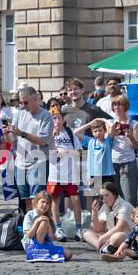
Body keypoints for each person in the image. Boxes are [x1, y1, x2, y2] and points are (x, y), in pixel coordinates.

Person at [6, 85, 52, 214]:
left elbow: (43, 141)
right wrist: (7, 133)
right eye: (21, 102)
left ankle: (39, 229)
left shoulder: (45, 116)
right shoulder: (19, 113)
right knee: (26, 200)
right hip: (20, 163)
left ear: (35, 99)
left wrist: (22, 133)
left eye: (26, 102)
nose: (23, 105)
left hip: (39, 163)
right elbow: (12, 140)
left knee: (37, 200)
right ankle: (29, 229)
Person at [46, 99, 84, 239]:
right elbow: (49, 151)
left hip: (70, 173)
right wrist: (52, 136)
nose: (56, 121)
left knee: (76, 201)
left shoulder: (69, 132)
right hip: (56, 174)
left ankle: (78, 228)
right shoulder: (49, 134)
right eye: (54, 118)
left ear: (62, 119)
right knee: (55, 201)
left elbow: (79, 150)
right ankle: (58, 227)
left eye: (59, 118)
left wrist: (67, 153)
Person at [103, 95, 138, 204]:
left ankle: (130, 220)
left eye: (119, 104)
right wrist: (111, 135)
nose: (116, 107)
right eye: (114, 105)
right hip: (112, 163)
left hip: (128, 162)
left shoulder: (134, 124)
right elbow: (106, 145)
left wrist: (130, 137)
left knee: (129, 198)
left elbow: (136, 146)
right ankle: (118, 220)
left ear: (125, 106)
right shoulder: (110, 123)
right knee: (114, 199)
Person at [82, 181, 134, 255]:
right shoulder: (105, 205)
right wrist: (94, 213)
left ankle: (104, 246)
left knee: (116, 237)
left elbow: (119, 228)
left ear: (115, 195)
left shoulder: (124, 206)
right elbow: (98, 229)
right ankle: (101, 246)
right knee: (85, 232)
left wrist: (101, 239)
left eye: (107, 195)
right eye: (102, 196)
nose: (103, 199)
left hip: (127, 236)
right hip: (110, 236)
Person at [22, 191, 69, 261]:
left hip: (46, 245)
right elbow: (29, 236)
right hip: (32, 245)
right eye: (43, 202)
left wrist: (48, 225)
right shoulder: (29, 215)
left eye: (47, 203)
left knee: (68, 254)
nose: (45, 205)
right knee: (43, 222)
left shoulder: (49, 217)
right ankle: (40, 252)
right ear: (37, 203)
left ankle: (43, 253)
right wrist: (37, 221)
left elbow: (51, 239)